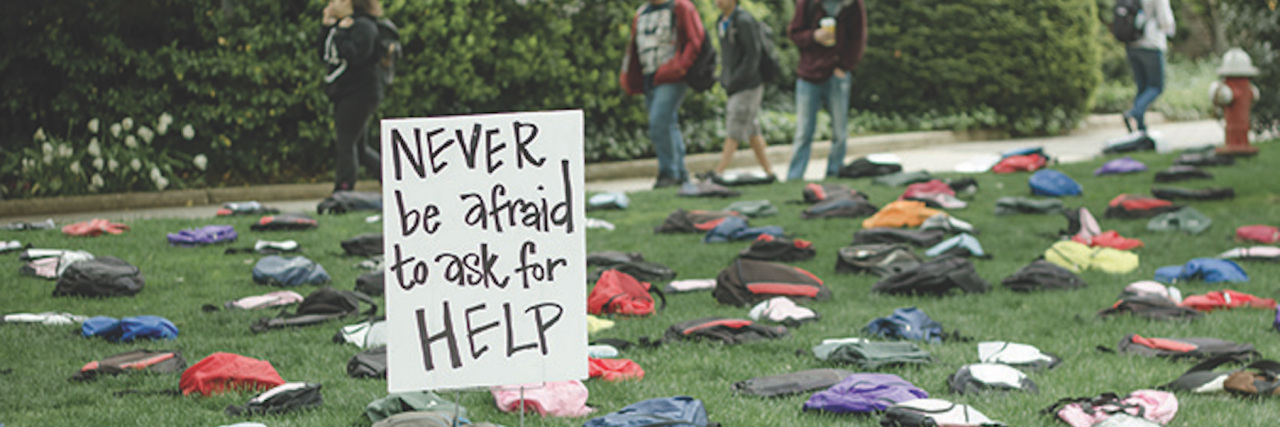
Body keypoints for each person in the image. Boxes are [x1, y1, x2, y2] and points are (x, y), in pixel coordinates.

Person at [621, 0, 708, 189]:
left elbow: (695, 40)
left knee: (658, 122)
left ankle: (668, 172)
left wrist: (679, 67)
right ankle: (681, 173)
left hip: (672, 77)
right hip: (648, 76)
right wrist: (628, 75)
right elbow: (633, 46)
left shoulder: (680, 7)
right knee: (668, 124)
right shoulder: (641, 12)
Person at [785, 0, 866, 181]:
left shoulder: (852, 4)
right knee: (804, 131)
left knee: (839, 130)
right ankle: (794, 176)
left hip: (837, 74)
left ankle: (835, 172)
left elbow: (858, 38)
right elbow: (794, 32)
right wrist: (814, 36)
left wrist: (844, 66)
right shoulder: (807, 3)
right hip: (809, 74)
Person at [321, 0, 385, 193]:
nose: (332, 4)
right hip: (343, 92)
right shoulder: (338, 27)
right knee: (360, 149)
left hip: (360, 92)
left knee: (346, 143)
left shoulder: (364, 26)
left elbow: (357, 55)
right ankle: (394, 181)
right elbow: (324, 53)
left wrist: (341, 33)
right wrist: (327, 27)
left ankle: (343, 191)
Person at [708, 0, 775, 181]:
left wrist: (736, 80)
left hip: (748, 84)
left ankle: (719, 172)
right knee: (752, 128)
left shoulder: (744, 21)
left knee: (735, 125)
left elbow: (753, 55)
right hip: (734, 84)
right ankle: (769, 172)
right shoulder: (721, 22)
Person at [1123, 0, 1176, 134]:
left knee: (1143, 88)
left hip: (1132, 44)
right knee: (1156, 87)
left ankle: (1140, 129)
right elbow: (1165, 20)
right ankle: (1134, 113)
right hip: (1151, 43)